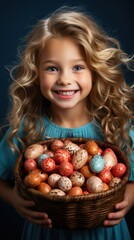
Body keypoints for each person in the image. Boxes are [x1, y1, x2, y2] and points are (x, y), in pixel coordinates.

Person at [0, 6, 134, 240]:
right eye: (52, 68)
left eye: (78, 67)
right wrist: (14, 200)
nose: (64, 79)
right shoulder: (27, 127)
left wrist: (130, 197)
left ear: (95, 71)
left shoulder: (115, 124)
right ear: (36, 72)